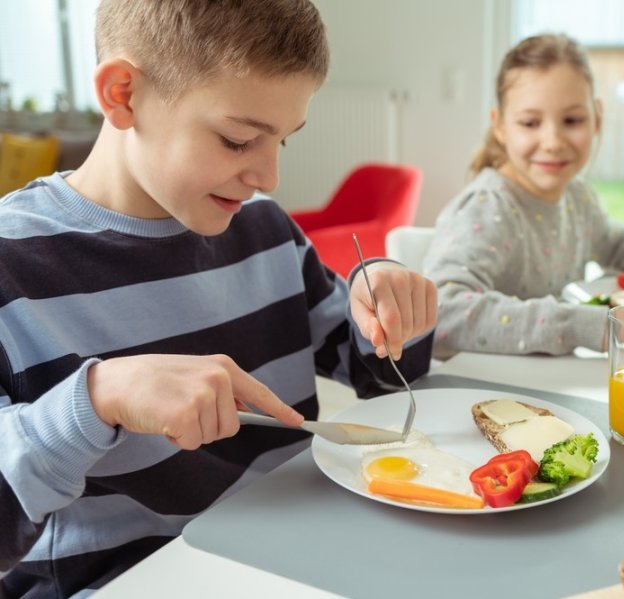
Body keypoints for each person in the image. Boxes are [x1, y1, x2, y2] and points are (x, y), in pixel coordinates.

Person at [0, 1, 437, 596]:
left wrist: (390, 308)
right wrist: (97, 400)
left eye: (282, 141)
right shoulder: (11, 264)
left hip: (304, 559)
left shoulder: (266, 231)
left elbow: (380, 376)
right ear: (124, 94)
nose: (269, 176)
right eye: (238, 141)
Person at [423, 34, 624, 359]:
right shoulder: (488, 206)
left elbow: (615, 243)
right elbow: (444, 312)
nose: (552, 141)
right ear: (501, 127)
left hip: (551, 386)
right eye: (530, 122)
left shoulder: (576, 195)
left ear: (597, 118)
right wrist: (594, 326)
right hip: (488, 394)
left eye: (572, 120)